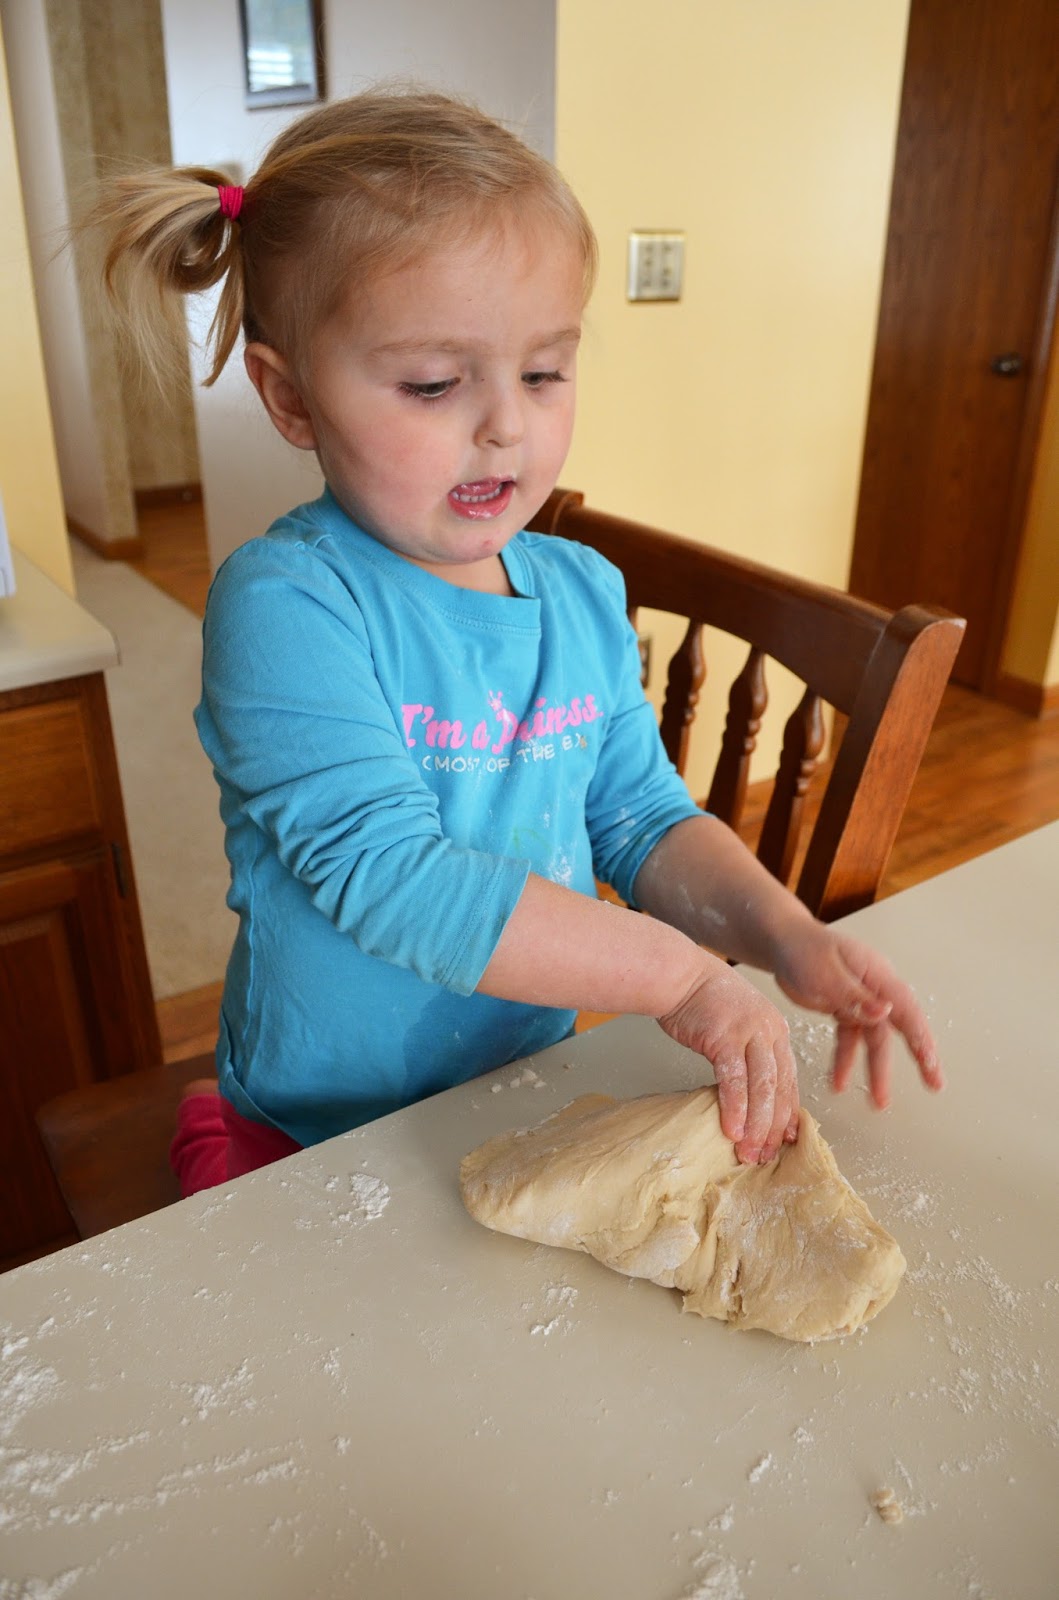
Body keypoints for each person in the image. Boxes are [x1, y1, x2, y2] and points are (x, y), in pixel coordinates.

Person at [87, 88, 942, 1194]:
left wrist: (784, 934)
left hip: (514, 1093)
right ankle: (212, 1119)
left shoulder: (580, 591)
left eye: (545, 370)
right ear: (290, 399)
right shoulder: (287, 605)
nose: (506, 422)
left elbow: (640, 819)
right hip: (314, 1128)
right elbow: (390, 876)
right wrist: (679, 981)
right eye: (435, 382)